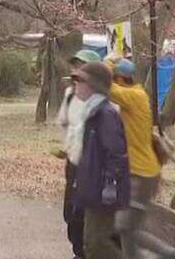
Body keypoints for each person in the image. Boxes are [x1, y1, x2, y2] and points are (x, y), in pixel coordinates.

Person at [109, 59, 175, 259]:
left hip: (141, 174)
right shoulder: (137, 96)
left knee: (125, 227)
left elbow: (106, 88)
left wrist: (108, 62)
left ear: (119, 78)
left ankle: (168, 254)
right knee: (127, 231)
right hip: (139, 172)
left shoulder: (133, 96)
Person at [70, 61, 130, 259]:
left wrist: (110, 183)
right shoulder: (91, 111)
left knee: (98, 244)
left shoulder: (106, 114)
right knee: (90, 242)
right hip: (92, 189)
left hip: (103, 193)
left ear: (93, 85)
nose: (75, 84)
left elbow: (117, 153)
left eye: (79, 80)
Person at [57, 49, 101, 258]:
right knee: (70, 213)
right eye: (74, 66)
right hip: (73, 165)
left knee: (83, 216)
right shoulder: (69, 95)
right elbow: (66, 123)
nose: (76, 71)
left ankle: (84, 253)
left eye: (81, 66)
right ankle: (78, 251)